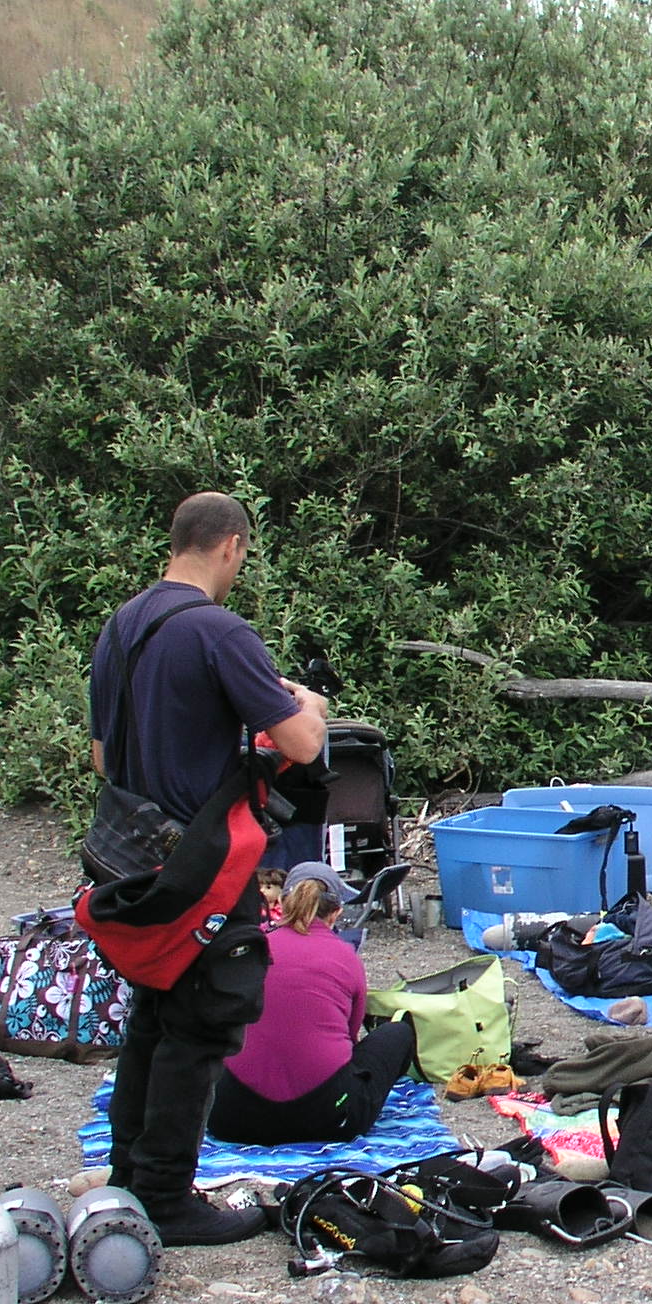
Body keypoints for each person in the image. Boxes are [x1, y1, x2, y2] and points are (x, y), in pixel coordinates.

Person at [88, 492, 328, 1243]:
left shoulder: (120, 627)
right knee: (206, 1018)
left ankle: (130, 1178)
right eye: (243, 556)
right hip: (202, 862)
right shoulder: (219, 632)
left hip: (129, 856)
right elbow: (302, 746)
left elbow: (101, 756)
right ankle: (164, 1197)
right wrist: (310, 703)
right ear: (230, 546)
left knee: (156, 1016)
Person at [209, 863, 417, 1146]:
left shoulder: (252, 946)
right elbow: (350, 1034)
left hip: (232, 1117)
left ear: (281, 903)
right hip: (325, 1120)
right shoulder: (345, 957)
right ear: (337, 912)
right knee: (398, 1033)